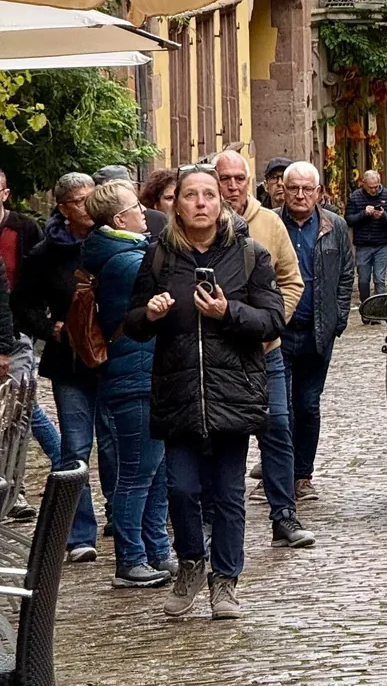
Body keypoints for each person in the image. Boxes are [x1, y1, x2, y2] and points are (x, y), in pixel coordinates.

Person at [125, 164, 284, 621]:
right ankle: (192, 562)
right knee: (181, 488)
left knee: (229, 492)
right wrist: (150, 315)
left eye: (208, 195)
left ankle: (226, 583)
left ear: (222, 203)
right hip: (178, 392)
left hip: (232, 389)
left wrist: (226, 311)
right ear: (175, 204)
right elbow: (130, 324)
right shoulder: (159, 257)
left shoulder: (250, 254)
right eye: (189, 195)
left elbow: (272, 320)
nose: (200, 203)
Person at [213, 149, 313, 549]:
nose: (233, 186)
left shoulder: (269, 223)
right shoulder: (194, 227)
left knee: (278, 429)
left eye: (239, 178)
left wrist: (272, 320)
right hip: (214, 354)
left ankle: (283, 514)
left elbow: (293, 281)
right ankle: (213, 520)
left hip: (264, 349)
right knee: (220, 437)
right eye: (225, 179)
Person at [79, 181, 174, 588]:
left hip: (141, 372)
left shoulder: (120, 252)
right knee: (138, 472)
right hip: (135, 374)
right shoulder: (127, 261)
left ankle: (156, 549)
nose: (143, 213)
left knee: (155, 470)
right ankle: (130, 558)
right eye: (136, 208)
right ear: (120, 220)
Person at [13, 171, 111, 561]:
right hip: (70, 364)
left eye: (93, 198)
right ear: (64, 208)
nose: (89, 206)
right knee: (74, 448)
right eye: (80, 201)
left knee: (117, 446)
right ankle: (80, 532)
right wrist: (48, 327)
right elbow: (22, 303)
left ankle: (121, 522)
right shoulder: (47, 252)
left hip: (111, 359)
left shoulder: (112, 240)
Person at [280, 161, 353, 499]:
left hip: (317, 331)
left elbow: (346, 274)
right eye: (293, 187)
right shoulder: (271, 224)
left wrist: (338, 318)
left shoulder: (333, 227)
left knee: (308, 404)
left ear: (318, 192)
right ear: (282, 190)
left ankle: (302, 475)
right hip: (278, 331)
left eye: (307, 188)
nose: (300, 194)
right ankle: (279, 475)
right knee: (280, 408)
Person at [0, 168, 54, 520]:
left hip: (15, 334)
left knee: (17, 414)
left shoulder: (22, 228)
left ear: (4, 193)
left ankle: (14, 490)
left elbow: (36, 279)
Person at [344, 169, 387, 302]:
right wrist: (364, 213)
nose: (374, 190)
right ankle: (366, 311)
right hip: (363, 245)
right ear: (363, 183)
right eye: (370, 187)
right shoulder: (355, 197)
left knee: (379, 280)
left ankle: (379, 309)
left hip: (382, 244)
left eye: (376, 187)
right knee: (363, 280)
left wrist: (384, 216)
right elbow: (349, 220)